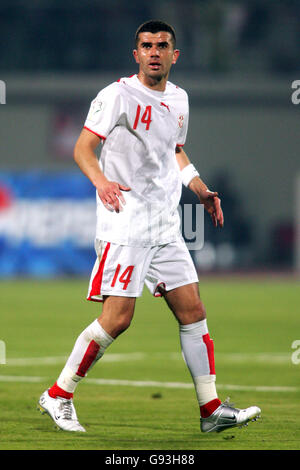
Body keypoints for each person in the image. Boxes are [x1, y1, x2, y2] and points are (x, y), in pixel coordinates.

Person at [38, 20, 261, 433]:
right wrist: (102, 182)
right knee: (118, 319)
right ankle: (59, 394)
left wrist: (198, 186)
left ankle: (210, 410)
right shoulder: (117, 95)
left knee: (193, 311)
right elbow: (83, 147)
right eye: (146, 45)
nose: (154, 52)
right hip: (126, 224)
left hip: (165, 225)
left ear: (174, 55)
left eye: (162, 46)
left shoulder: (179, 100)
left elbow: (174, 149)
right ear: (136, 54)